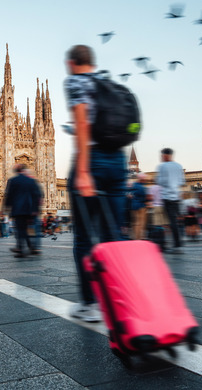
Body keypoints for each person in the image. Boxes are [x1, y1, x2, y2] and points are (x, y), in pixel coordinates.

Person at [64, 44, 128, 323]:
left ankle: (90, 303)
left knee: (84, 237)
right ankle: (125, 297)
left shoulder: (76, 81)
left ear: (72, 62)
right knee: (114, 235)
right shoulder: (107, 82)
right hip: (118, 163)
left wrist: (82, 169)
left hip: (94, 162)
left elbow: (81, 124)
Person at [4, 163, 43, 257]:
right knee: (25, 229)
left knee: (20, 229)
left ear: (17, 171)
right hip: (29, 209)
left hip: (18, 209)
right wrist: (35, 209)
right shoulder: (31, 181)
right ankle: (30, 247)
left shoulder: (13, 180)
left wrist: (6, 208)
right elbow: (37, 195)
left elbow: (9, 196)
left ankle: (21, 249)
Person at [157, 148, 185, 253]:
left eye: (162, 155)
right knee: (175, 221)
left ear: (166, 155)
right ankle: (177, 243)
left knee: (167, 221)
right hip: (176, 197)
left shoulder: (162, 166)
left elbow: (160, 181)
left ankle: (167, 244)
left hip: (167, 198)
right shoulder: (178, 166)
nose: (161, 157)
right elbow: (181, 181)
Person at [130, 173, 148, 240]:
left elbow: (130, 195)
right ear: (142, 179)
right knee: (141, 223)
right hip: (141, 206)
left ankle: (134, 237)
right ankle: (138, 238)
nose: (145, 180)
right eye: (144, 179)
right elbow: (145, 197)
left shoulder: (133, 185)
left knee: (134, 223)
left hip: (133, 206)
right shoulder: (142, 187)